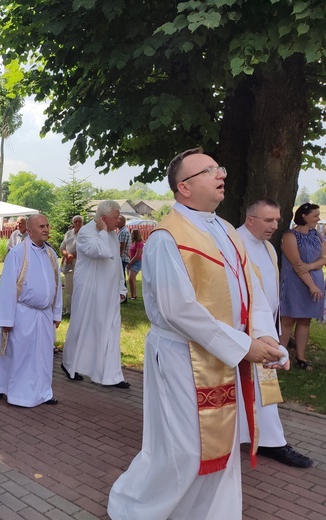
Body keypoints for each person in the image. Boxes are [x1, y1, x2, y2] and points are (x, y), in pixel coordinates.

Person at [107, 148, 285, 520]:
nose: (220, 173)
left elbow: (251, 290)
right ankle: (137, 509)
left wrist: (265, 337)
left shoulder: (224, 229)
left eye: (218, 167)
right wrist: (243, 346)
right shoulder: (167, 236)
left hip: (224, 353)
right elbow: (179, 309)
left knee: (222, 445)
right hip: (182, 356)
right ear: (183, 188)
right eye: (208, 171)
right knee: (185, 449)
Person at [237, 199, 313, 468]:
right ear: (250, 219)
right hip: (245, 332)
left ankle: (267, 438)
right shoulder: (236, 243)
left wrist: (274, 328)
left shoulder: (268, 246)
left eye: (277, 220)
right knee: (249, 387)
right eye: (268, 220)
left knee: (263, 388)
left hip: (266, 326)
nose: (274, 225)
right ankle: (269, 441)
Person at [0, 214, 62, 407]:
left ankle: (43, 392)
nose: (46, 229)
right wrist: (6, 320)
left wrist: (56, 313)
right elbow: (8, 289)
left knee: (44, 356)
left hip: (44, 314)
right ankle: (16, 393)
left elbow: (55, 285)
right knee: (18, 355)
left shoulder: (51, 254)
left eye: (47, 225)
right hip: (22, 314)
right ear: (29, 231)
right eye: (41, 226)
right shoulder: (18, 253)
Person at [61, 201, 129, 387]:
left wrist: (122, 288)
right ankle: (69, 364)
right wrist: (101, 231)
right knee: (83, 327)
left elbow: (115, 263)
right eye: (116, 217)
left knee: (111, 330)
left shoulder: (110, 234)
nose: (119, 220)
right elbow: (102, 251)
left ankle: (112, 375)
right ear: (104, 218)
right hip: (90, 292)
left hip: (109, 292)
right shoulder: (85, 232)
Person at [279, 202, 325, 370]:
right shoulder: (290, 236)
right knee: (288, 320)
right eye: (315, 215)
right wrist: (312, 285)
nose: (318, 218)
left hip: (315, 283)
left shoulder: (318, 236)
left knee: (305, 321)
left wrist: (310, 267)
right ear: (303, 216)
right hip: (295, 283)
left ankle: (301, 357)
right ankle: (281, 356)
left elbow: (324, 257)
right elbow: (297, 264)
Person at [59, 215, 84, 316]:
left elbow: (85, 249)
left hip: (79, 262)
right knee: (69, 287)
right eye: (76, 221)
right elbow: (62, 246)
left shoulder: (84, 234)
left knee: (79, 287)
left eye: (79, 222)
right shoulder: (69, 233)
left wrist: (72, 256)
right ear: (73, 223)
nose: (77, 223)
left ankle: (79, 310)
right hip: (68, 262)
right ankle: (68, 310)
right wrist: (66, 255)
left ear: (82, 223)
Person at [117, 216, 131, 302]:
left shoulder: (123, 232)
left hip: (122, 258)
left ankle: (123, 297)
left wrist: (118, 257)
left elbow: (122, 246)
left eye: (118, 221)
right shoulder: (123, 231)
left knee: (121, 277)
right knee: (122, 276)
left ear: (123, 222)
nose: (117, 222)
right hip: (123, 257)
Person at [127, 229, 144, 300]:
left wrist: (130, 263)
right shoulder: (133, 242)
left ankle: (133, 295)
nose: (131, 235)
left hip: (137, 262)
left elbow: (137, 255)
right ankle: (133, 295)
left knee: (131, 278)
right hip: (131, 260)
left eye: (132, 234)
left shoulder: (140, 243)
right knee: (131, 279)